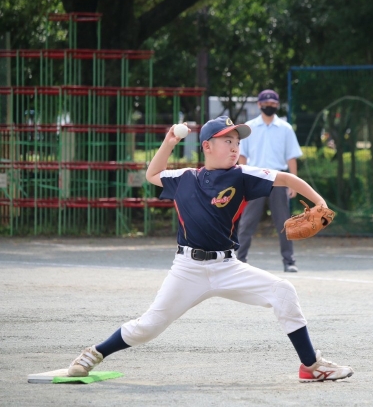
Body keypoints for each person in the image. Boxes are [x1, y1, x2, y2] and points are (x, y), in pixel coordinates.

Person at [66, 116, 353, 383]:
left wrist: (320, 202)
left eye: (237, 141)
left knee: (283, 291)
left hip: (227, 267)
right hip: (187, 269)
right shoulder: (185, 178)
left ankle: (310, 366)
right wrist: (169, 142)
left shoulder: (242, 176)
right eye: (227, 140)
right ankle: (94, 353)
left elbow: (287, 179)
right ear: (207, 146)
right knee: (148, 327)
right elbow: (153, 174)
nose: (235, 147)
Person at [237, 89, 303, 273]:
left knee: (284, 222)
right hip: (255, 178)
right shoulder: (249, 127)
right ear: (259, 105)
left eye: (273, 104)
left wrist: (294, 183)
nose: (269, 106)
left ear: (277, 105)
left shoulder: (285, 128)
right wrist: (242, 179)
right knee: (247, 222)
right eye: (266, 103)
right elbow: (242, 156)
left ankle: (289, 261)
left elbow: (291, 157)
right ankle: (239, 261)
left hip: (278, 179)